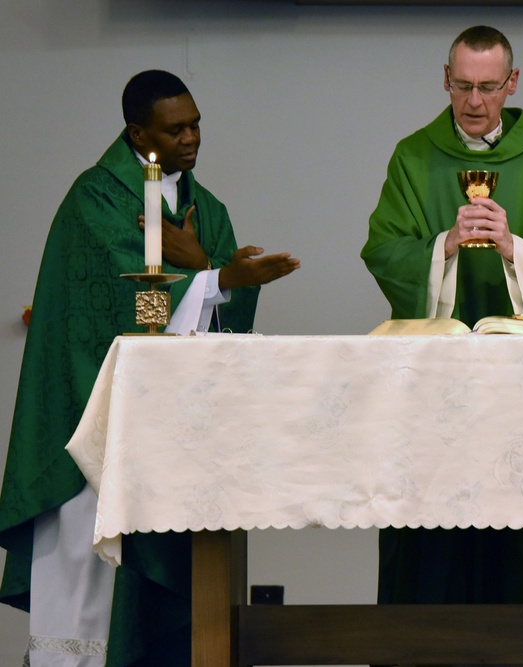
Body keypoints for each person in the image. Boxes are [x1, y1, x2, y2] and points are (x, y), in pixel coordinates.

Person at [0, 69, 300, 666]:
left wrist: (217, 273)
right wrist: (215, 277)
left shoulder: (203, 208)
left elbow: (221, 329)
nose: (191, 138)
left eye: (196, 125)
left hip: (175, 442)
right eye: (175, 128)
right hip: (94, 430)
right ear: (138, 132)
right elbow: (116, 310)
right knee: (91, 592)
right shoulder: (96, 201)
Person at [361, 26, 523, 610]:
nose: (473, 101)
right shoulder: (413, 156)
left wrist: (517, 249)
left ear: (511, 84)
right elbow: (383, 249)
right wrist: (441, 246)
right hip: (433, 391)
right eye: (462, 85)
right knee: (432, 540)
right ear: (445, 80)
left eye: (488, 87)